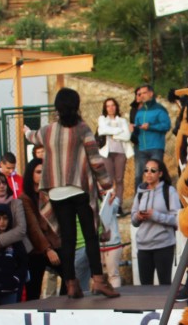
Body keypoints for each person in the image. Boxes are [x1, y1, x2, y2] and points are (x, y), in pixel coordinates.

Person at [24, 88, 119, 299]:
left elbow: (32, 137)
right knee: (90, 235)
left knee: (67, 239)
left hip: (56, 191)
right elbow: (95, 159)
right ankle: (99, 281)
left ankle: (71, 284)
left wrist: (25, 131)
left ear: (57, 107)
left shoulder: (48, 130)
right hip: (79, 188)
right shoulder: (82, 129)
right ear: (76, 106)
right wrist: (106, 183)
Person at [131, 159, 180, 286]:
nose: (149, 173)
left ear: (160, 174)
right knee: (145, 288)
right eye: (146, 170)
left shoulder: (169, 191)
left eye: (153, 170)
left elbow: (177, 219)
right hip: (143, 246)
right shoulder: (140, 192)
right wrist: (138, 216)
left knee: (165, 286)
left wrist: (156, 216)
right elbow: (133, 220)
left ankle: (165, 307)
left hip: (163, 246)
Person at [19, 159, 62, 301]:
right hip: (36, 250)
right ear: (31, 174)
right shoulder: (25, 198)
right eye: (38, 172)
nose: (42, 174)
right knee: (33, 290)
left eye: (44, 171)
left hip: (54, 244)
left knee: (70, 278)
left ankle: (65, 309)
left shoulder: (50, 193)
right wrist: (47, 249)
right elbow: (33, 227)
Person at [96, 97, 133, 214]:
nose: (111, 108)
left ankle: (119, 204)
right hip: (106, 153)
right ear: (105, 108)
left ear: (116, 107)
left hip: (120, 152)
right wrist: (118, 131)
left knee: (119, 179)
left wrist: (112, 134)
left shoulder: (122, 121)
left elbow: (127, 136)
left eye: (113, 105)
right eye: (108, 106)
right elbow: (102, 131)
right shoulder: (102, 119)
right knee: (109, 180)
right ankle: (109, 204)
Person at [131, 84, 171, 188]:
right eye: (140, 94)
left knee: (156, 175)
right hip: (141, 149)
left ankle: (160, 197)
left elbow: (166, 126)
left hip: (156, 148)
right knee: (138, 176)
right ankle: (138, 201)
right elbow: (136, 131)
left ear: (151, 93)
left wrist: (151, 127)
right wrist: (133, 129)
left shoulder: (160, 109)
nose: (142, 95)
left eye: (144, 93)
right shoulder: (139, 112)